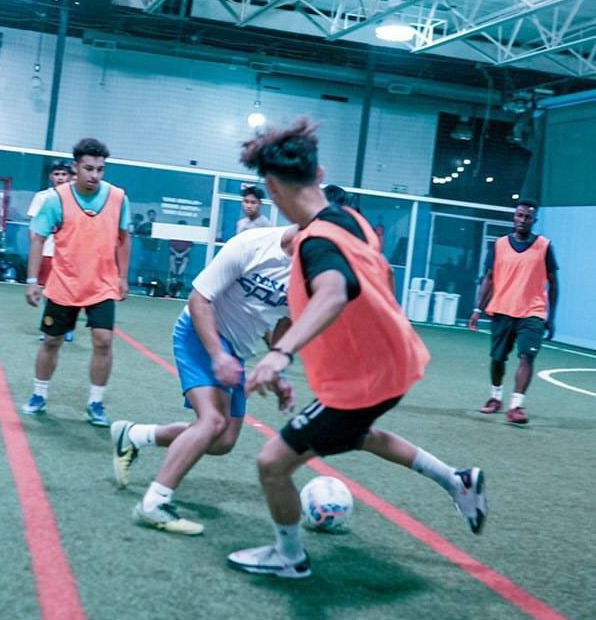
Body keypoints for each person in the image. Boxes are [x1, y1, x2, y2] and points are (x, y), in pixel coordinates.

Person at [226, 119, 487, 579]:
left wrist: (279, 354)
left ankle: (289, 557)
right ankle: (456, 479)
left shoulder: (316, 242)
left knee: (272, 463)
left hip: (361, 383)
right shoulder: (352, 221)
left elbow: (333, 291)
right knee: (359, 436)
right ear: (319, 173)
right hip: (391, 366)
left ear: (271, 189)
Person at [111, 225, 295, 536]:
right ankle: (154, 503)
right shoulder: (252, 245)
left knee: (223, 442)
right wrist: (218, 355)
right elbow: (199, 301)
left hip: (236, 349)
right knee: (212, 421)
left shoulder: (310, 273)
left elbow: (284, 324)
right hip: (200, 333)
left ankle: (133, 435)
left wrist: (276, 369)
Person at [23, 138, 131, 427]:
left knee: (104, 341)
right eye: (88, 168)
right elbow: (38, 239)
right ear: (76, 167)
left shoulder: (118, 197)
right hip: (64, 283)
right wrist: (33, 280)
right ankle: (39, 394)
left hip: (102, 284)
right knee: (52, 341)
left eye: (100, 169)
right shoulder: (55, 199)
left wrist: (122, 277)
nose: (95, 175)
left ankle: (96, 403)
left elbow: (124, 238)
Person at [468, 200, 559, 425]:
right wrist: (477, 309)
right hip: (502, 309)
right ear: (514, 217)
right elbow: (489, 278)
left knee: (527, 356)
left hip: (533, 312)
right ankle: (495, 398)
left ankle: (516, 406)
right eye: (519, 215)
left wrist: (550, 317)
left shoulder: (544, 246)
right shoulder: (499, 245)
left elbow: (554, 283)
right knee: (498, 358)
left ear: (534, 220)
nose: (523, 220)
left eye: (528, 217)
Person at [27, 161, 75, 342]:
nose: (60, 178)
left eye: (64, 174)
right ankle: (52, 327)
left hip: (69, 253)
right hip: (47, 251)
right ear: (51, 177)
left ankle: (68, 326)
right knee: (48, 291)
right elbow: (34, 226)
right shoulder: (42, 197)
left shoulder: (76, 197)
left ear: (70, 176)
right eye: (57, 174)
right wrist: (36, 246)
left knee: (68, 291)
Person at [168, 221, 193, 296]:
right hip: (174, 252)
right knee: (172, 259)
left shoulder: (188, 236)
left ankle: (179, 274)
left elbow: (190, 247)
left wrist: (182, 254)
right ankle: (174, 274)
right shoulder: (174, 235)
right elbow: (170, 247)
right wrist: (176, 253)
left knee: (185, 261)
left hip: (184, 253)